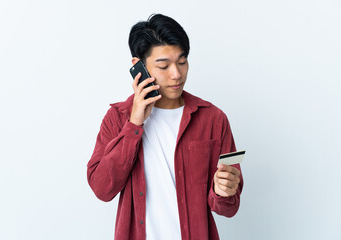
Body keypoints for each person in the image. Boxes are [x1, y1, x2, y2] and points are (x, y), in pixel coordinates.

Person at [87, 13, 243, 240]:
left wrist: (224, 192)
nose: (176, 74)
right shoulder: (117, 118)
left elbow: (229, 206)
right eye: (163, 66)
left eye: (182, 62)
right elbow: (102, 189)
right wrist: (134, 125)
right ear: (138, 66)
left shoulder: (214, 119)